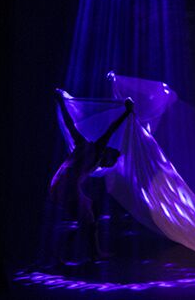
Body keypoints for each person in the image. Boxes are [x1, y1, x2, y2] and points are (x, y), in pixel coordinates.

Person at [48, 89, 134, 263]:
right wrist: (126, 112)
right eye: (111, 160)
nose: (108, 165)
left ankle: (87, 253)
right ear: (107, 153)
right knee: (87, 220)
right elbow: (108, 129)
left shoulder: (92, 156)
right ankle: (78, 253)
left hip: (61, 185)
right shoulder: (93, 147)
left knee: (88, 217)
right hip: (65, 185)